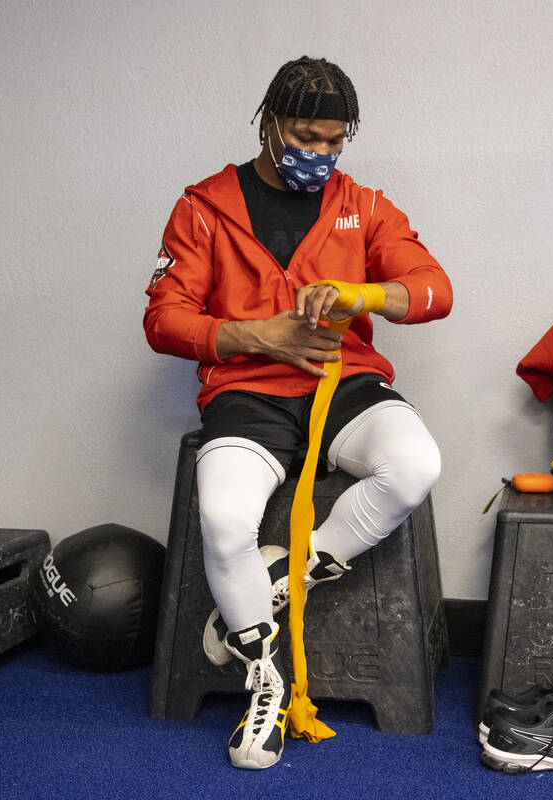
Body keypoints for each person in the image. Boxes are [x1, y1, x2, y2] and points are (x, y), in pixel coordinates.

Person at [143, 56, 452, 770]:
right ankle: (265, 684)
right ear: (270, 123)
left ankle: (278, 586)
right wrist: (257, 335)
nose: (321, 153)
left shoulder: (366, 206)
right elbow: (164, 319)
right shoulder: (203, 207)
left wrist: (362, 296)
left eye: (335, 141)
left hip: (343, 382)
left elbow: (434, 291)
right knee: (222, 520)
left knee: (415, 465)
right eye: (307, 136)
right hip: (247, 393)